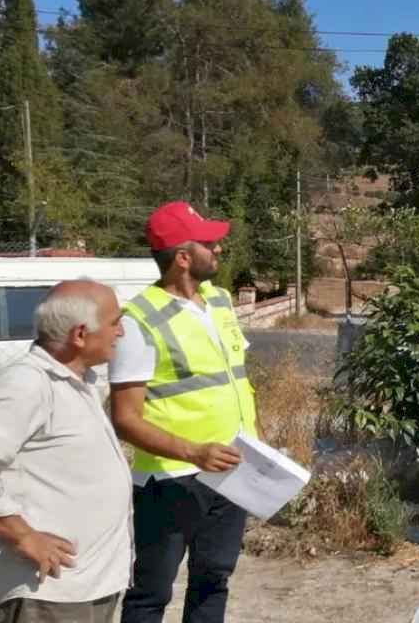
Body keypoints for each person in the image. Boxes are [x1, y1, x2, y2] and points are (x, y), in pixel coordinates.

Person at [110, 201, 259, 623]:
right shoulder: (139, 321)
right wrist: (194, 452)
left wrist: (258, 448)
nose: (219, 250)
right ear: (182, 257)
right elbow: (124, 418)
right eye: (210, 243)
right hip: (171, 481)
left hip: (230, 473)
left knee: (214, 581)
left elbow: (237, 382)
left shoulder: (221, 302)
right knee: (151, 593)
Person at [0, 280, 131, 623]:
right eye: (114, 322)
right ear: (80, 334)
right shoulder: (27, 383)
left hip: (83, 586)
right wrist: (23, 535)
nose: (120, 332)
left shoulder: (78, 381)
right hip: (47, 592)